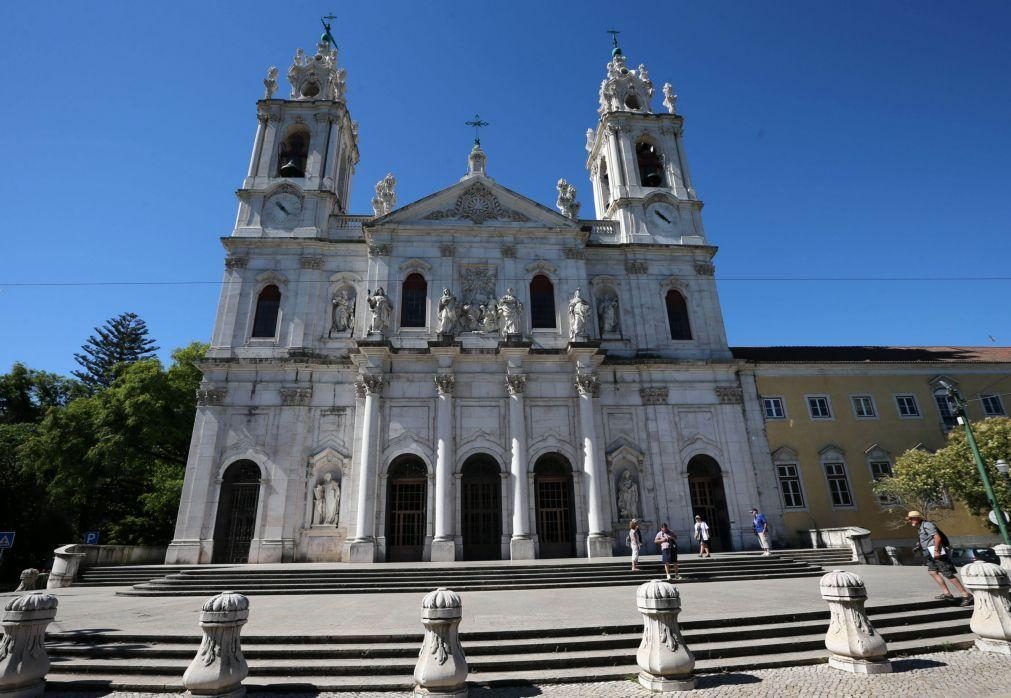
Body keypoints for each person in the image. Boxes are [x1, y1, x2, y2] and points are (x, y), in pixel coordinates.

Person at [907, 510, 973, 606]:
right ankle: (947, 593)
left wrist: (936, 550)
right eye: (910, 519)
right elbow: (927, 539)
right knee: (932, 572)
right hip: (928, 553)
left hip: (936, 552)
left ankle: (966, 594)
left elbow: (937, 537)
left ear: (917, 518)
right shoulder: (920, 527)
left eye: (911, 519)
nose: (910, 521)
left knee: (948, 574)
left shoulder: (927, 525)